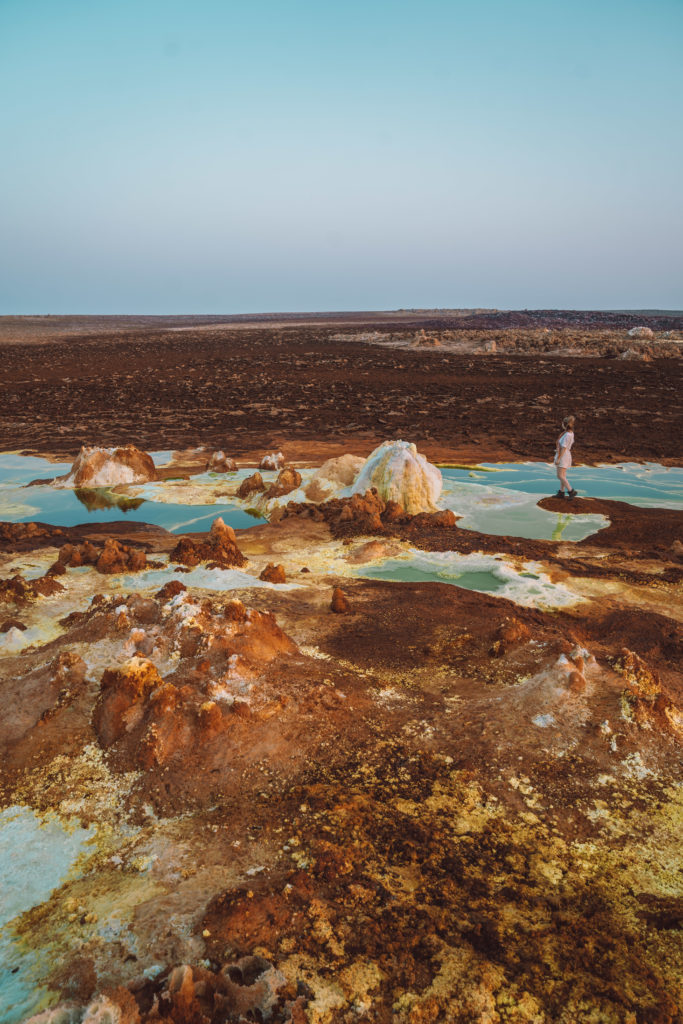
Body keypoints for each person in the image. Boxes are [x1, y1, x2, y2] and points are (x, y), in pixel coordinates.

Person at [553, 415, 577, 499]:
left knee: (559, 476)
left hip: (563, 455)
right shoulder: (570, 433)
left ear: (564, 424)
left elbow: (564, 448)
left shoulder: (567, 435)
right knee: (563, 475)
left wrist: (559, 458)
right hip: (566, 455)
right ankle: (561, 492)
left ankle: (571, 491)